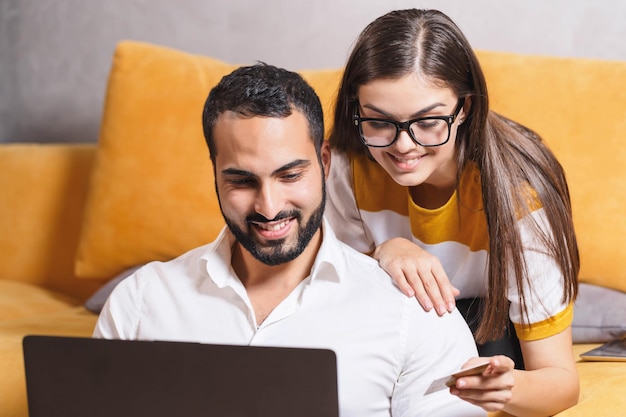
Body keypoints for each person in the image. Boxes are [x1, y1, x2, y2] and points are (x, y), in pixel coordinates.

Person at [93, 63, 486, 416]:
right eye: (242, 181)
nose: (268, 207)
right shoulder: (140, 302)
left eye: (290, 176)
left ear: (325, 162)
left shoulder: (414, 313)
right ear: (214, 172)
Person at [326, 8, 580, 416]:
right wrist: (385, 253)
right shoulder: (346, 162)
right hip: (390, 320)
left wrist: (507, 388)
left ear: (464, 108)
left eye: (428, 121)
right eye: (378, 121)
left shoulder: (519, 192)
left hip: (492, 325)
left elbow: (561, 382)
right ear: (356, 109)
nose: (403, 146)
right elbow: (337, 294)